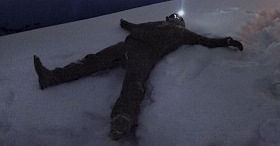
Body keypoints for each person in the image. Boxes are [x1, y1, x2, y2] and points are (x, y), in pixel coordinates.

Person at [33, 13, 244, 140]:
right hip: (126, 46)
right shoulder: (154, 24)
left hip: (144, 54)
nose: (172, 19)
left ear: (180, 24)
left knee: (134, 84)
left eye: (176, 19)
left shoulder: (183, 34)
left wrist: (226, 41)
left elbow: (206, 41)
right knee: (91, 61)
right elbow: (134, 27)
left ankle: (122, 120)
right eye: (171, 17)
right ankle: (51, 77)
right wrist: (125, 23)